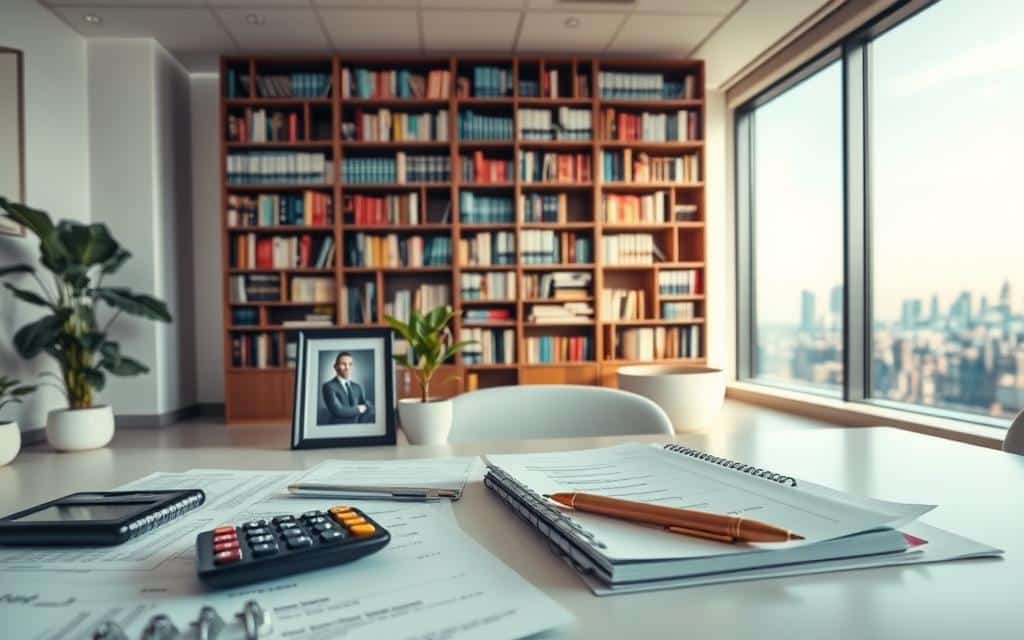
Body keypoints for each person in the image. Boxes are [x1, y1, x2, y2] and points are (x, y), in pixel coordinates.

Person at [321, 352, 374, 424]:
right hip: (338, 427)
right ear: (335, 366)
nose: (347, 367)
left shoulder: (357, 387)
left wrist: (360, 423)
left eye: (350, 364)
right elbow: (338, 411)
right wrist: (359, 409)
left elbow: (368, 407)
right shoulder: (328, 386)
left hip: (356, 427)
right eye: (343, 364)